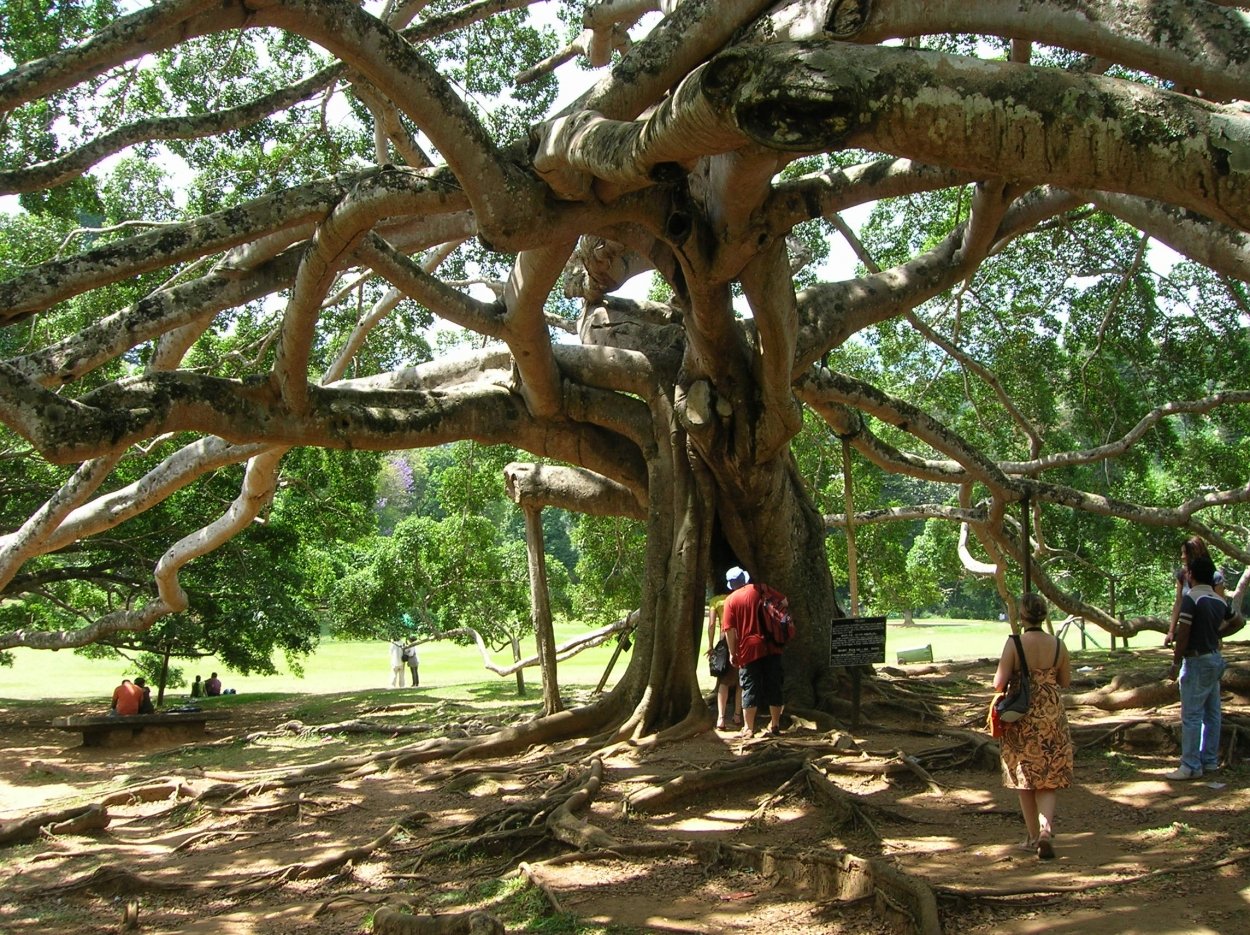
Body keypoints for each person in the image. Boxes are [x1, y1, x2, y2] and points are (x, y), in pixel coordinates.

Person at [994, 592, 1073, 860]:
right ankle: (1046, 830)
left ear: (1022, 615)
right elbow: (1065, 681)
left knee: (1025, 777)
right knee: (1047, 779)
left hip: (1022, 716)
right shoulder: (1059, 644)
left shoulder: (1015, 643)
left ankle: (1031, 837)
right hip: (1052, 715)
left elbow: (998, 682)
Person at [1166, 553, 1242, 780]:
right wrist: (1217, 633)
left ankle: (1190, 765)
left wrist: (1176, 661)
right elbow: (1238, 621)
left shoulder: (1193, 599)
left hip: (1196, 660)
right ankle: (1209, 761)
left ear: (1191, 575)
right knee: (1212, 713)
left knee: (1191, 715)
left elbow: (1185, 633)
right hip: (1215, 658)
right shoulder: (1219, 600)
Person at [721, 566, 785, 739]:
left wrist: (732, 653)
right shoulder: (762, 589)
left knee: (749, 686)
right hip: (772, 644)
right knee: (774, 684)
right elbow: (784, 602)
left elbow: (729, 630)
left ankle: (748, 728)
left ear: (732, 585)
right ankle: (775, 724)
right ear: (745, 578)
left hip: (748, 649)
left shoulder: (731, 601)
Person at [1165, 536, 1225, 645]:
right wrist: (1171, 631)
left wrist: (1218, 635)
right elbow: (1178, 603)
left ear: (1195, 553)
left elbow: (1220, 607)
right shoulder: (1182, 576)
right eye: (1181, 553)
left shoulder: (1214, 576)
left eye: (1185, 553)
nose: (1182, 557)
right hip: (1187, 630)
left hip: (1208, 632)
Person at [706, 584, 742, 730]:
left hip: (724, 641)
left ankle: (721, 718)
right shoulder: (738, 599)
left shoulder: (716, 601)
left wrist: (710, 645)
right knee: (740, 681)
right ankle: (737, 716)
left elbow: (711, 624)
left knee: (724, 681)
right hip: (741, 641)